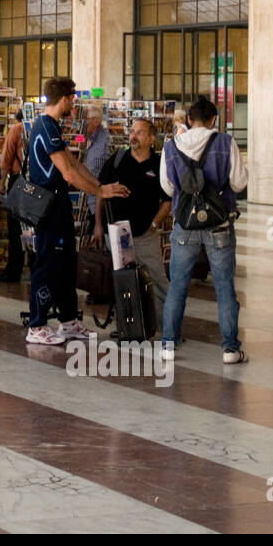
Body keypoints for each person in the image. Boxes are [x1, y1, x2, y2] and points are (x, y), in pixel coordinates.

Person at [25, 77, 129, 346]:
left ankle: (69, 320)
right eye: (72, 98)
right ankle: (36, 325)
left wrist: (102, 186)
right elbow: (69, 174)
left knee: (66, 262)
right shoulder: (45, 127)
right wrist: (99, 193)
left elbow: (76, 163)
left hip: (59, 207)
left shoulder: (52, 127)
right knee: (47, 263)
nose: (75, 102)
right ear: (64, 99)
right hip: (48, 207)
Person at [159, 96, 249, 364]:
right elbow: (239, 182)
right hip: (219, 224)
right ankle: (230, 349)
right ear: (213, 120)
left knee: (177, 286)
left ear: (189, 120)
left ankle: (168, 345)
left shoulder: (171, 146)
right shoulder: (225, 142)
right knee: (224, 287)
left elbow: (167, 187)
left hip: (184, 225)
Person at [93, 117, 172, 328]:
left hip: (146, 235)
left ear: (151, 138)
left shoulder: (159, 164)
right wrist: (98, 225)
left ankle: (168, 328)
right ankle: (128, 328)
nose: (133, 136)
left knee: (158, 282)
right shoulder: (118, 159)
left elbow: (167, 202)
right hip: (118, 234)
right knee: (124, 281)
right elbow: (101, 192)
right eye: (132, 132)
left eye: (139, 132)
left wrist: (153, 225)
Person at [0, 109, 27, 282]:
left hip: (18, 182)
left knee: (15, 228)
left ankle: (14, 270)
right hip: (37, 184)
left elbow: (6, 159)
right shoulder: (41, 128)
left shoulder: (16, 130)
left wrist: (1, 184)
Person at [81, 104, 111, 219]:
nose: (82, 123)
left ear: (96, 121)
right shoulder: (86, 136)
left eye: (85, 120)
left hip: (98, 204)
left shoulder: (105, 141)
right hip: (87, 201)